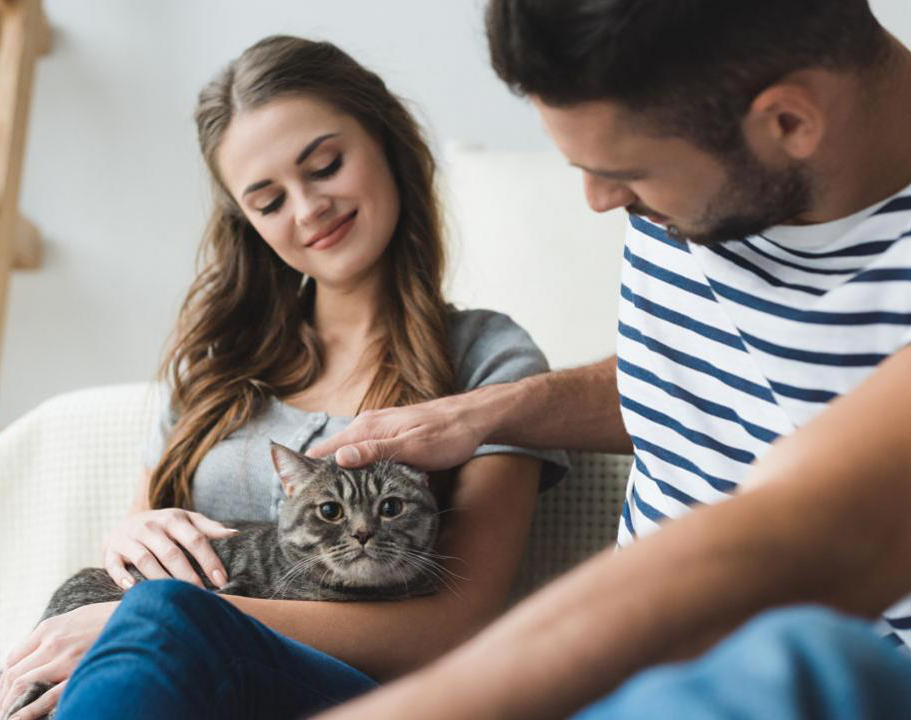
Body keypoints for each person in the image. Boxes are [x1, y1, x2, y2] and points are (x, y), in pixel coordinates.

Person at [309, 0, 911, 717]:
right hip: (641, 687)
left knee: (801, 658)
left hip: (820, 681)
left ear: (787, 122)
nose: (599, 199)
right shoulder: (695, 190)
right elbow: (702, 378)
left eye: (625, 172)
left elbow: (796, 540)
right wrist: (488, 412)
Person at [0, 35, 568, 720]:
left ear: (386, 142)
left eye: (324, 165)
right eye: (268, 202)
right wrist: (129, 544)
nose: (307, 209)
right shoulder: (215, 368)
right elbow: (137, 547)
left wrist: (179, 617)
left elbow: (455, 626)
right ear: (249, 224)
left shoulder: (487, 361)